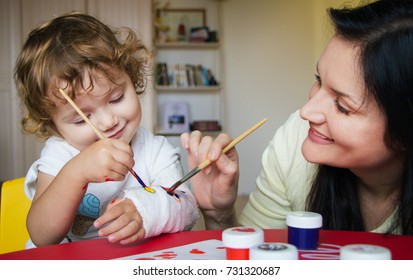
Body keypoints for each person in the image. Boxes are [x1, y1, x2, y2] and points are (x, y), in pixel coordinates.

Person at [183, 0, 413, 235]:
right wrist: (219, 215)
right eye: (318, 79)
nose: (306, 112)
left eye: (343, 106)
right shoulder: (296, 136)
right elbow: (257, 263)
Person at [14, 12, 198, 248]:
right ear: (53, 125)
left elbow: (188, 210)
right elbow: (41, 236)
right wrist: (76, 172)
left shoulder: (156, 150)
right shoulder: (60, 154)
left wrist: (146, 209)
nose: (108, 121)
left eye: (117, 98)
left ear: (132, 79)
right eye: (82, 119)